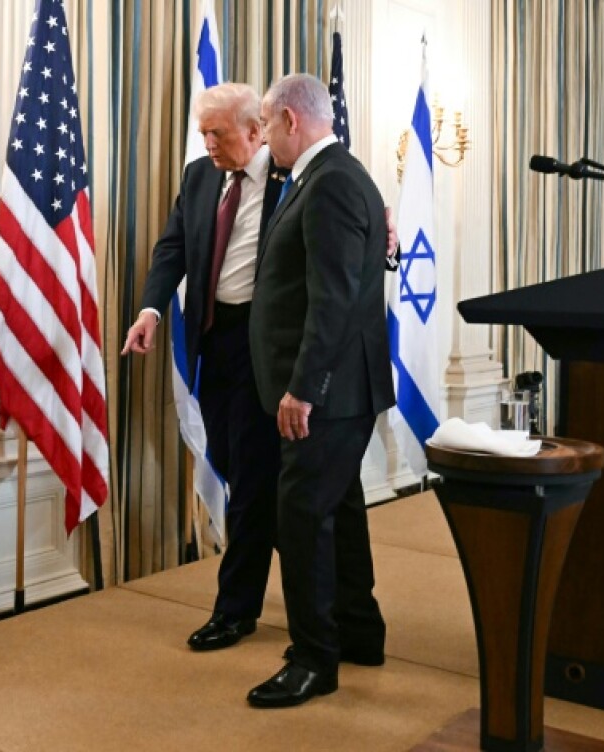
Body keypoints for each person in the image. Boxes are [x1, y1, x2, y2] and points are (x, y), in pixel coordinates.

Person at [245, 74, 395, 709]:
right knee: (341, 508)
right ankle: (357, 630)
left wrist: (303, 389)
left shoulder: (329, 180)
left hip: (326, 389)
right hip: (342, 386)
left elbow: (332, 299)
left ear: (288, 120)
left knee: (302, 515)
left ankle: (314, 659)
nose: (263, 139)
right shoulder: (334, 172)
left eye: (265, 126)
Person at [121, 83, 284, 653]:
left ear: (257, 131)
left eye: (218, 133)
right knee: (243, 472)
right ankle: (325, 586)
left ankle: (234, 611)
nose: (208, 143)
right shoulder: (199, 176)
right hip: (213, 343)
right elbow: (173, 249)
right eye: (203, 132)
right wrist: (150, 310)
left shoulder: (291, 179)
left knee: (253, 480)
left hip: (266, 351)